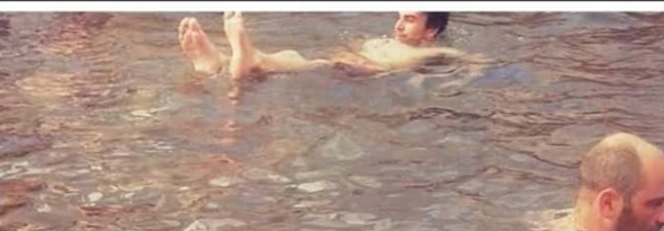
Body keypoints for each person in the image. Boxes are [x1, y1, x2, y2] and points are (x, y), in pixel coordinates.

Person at [179, 11, 463, 82]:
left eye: (409, 20)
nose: (398, 25)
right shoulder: (383, 40)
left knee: (301, 63)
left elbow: (472, 61)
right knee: (292, 58)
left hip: (360, 78)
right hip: (342, 67)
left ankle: (242, 58)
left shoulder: (433, 51)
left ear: (432, 30)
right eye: (399, 17)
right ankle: (219, 62)